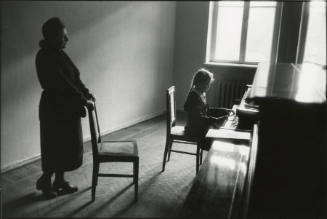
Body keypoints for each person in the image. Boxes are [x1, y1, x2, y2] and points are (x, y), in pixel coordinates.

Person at [35, 17, 95, 199]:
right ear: (53, 37)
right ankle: (45, 182)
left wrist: (87, 94)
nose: (67, 40)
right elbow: (63, 84)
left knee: (66, 147)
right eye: (63, 36)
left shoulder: (59, 53)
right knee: (54, 146)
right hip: (54, 109)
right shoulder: (45, 56)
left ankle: (59, 181)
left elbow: (75, 77)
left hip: (67, 108)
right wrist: (83, 100)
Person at [184, 68, 230, 151]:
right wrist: (215, 120)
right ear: (199, 83)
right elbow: (199, 118)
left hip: (200, 127)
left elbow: (207, 110)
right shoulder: (193, 97)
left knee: (219, 134)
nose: (208, 87)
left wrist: (222, 110)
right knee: (218, 140)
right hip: (194, 130)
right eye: (207, 84)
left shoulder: (201, 93)